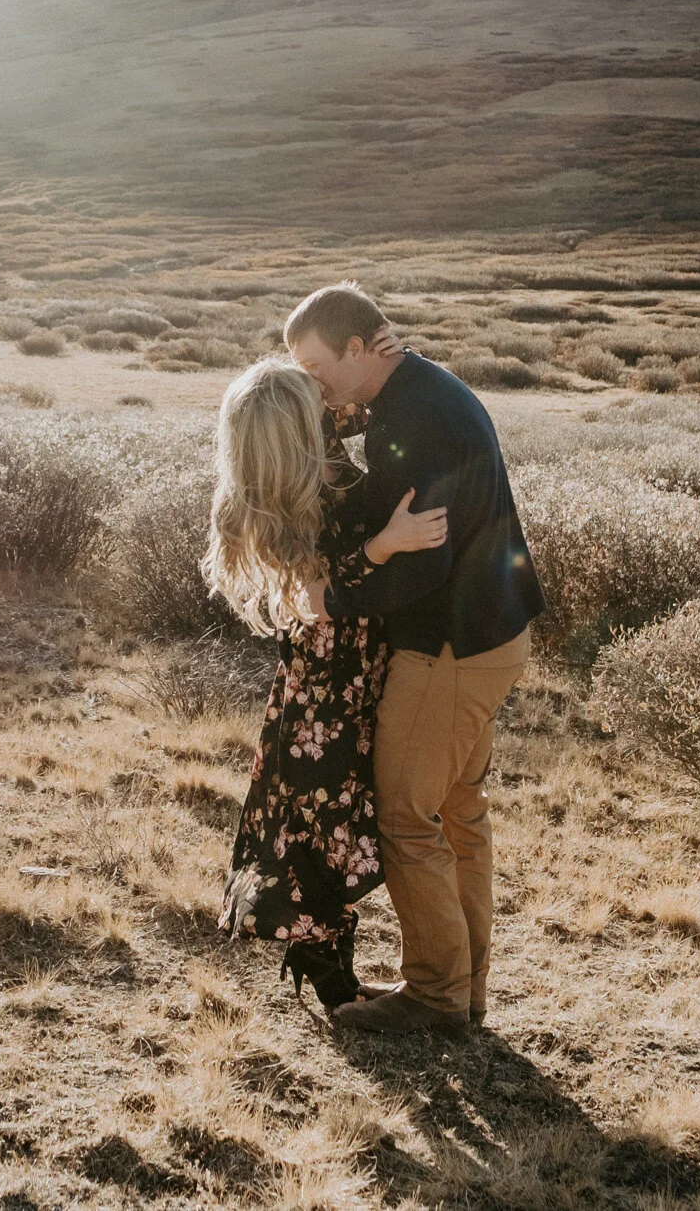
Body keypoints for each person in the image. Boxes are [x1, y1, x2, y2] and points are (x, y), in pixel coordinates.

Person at [285, 281, 544, 1036]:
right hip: (493, 633)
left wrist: (333, 598)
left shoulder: (410, 421)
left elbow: (423, 563)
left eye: (315, 367)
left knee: (405, 814)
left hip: (449, 647)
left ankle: (435, 996)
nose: (312, 385)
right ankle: (464, 988)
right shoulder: (421, 390)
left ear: (359, 349)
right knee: (458, 811)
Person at [204, 357, 449, 1012]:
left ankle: (327, 956)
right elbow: (310, 600)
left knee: (346, 816)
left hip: (365, 671)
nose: (325, 400)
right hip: (324, 688)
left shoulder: (328, 456)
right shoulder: (290, 503)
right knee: (323, 825)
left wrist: (366, 358)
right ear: (291, 430)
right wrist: (385, 545)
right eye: (309, 396)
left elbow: (372, 398)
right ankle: (323, 961)